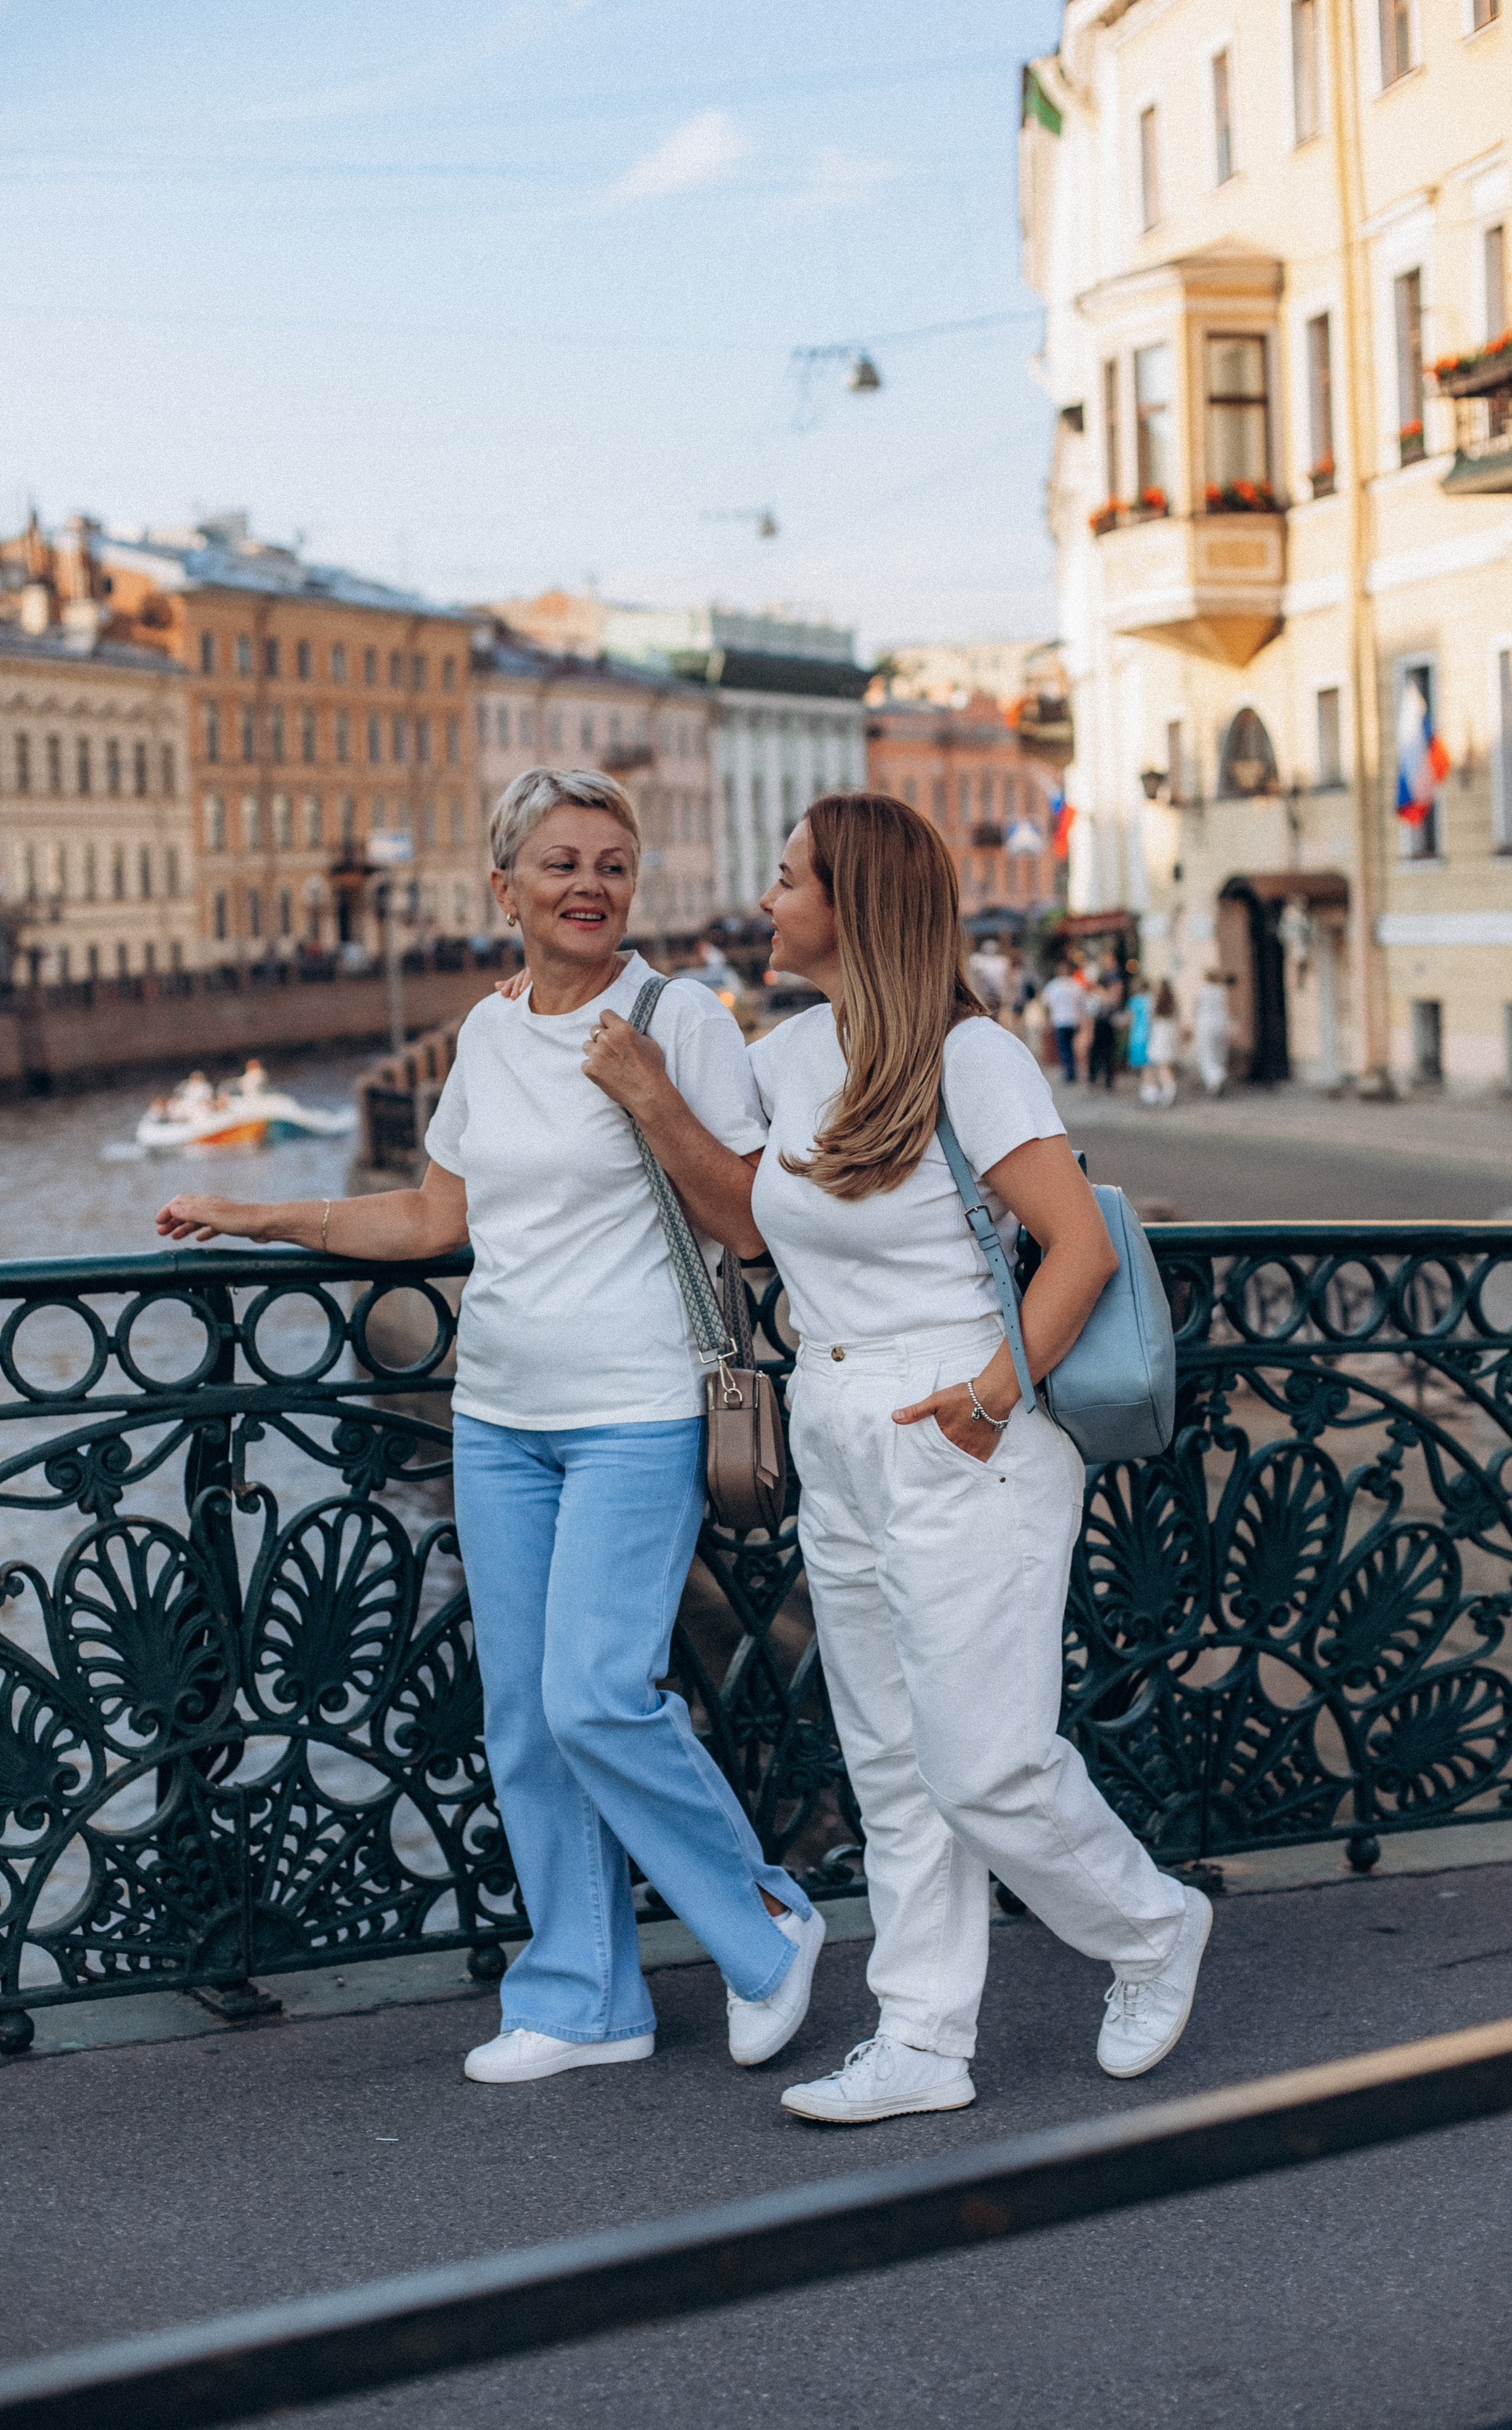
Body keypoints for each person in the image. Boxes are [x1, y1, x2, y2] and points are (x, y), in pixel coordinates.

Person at [152, 767, 824, 2089]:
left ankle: (760, 1917)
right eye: (562, 862)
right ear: (501, 887)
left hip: (634, 1411)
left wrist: (648, 1096)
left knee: (593, 1695)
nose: (589, 886)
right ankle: (581, 1999)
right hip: (499, 1415)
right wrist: (264, 1218)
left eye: (611, 865)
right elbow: (429, 1222)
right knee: (524, 1716)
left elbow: (746, 1220)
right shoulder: (484, 1028)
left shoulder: (671, 1016)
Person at [749, 793, 1210, 2126]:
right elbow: (737, 1211)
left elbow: (1081, 1246)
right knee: (888, 1760)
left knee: (985, 1763)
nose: (766, 902)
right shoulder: (781, 1059)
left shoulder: (974, 1059)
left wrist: (986, 1398)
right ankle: (921, 2040)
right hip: (831, 1419)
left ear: (853, 905)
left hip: (964, 1426)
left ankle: (1147, 1928)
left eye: (787, 882)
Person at [1040, 961, 1082, 1085]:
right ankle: (1072, 1071)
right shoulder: (1074, 985)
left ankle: (1068, 1073)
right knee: (1070, 1046)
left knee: (1064, 1047)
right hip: (1072, 1020)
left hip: (1060, 1020)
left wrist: (1047, 1020)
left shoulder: (1053, 986)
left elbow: (1046, 1004)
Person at [1192, 969, 1232, 1096]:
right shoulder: (1222, 991)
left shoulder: (1202, 990)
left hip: (1206, 1026)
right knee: (1219, 1054)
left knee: (1207, 1055)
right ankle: (1218, 1075)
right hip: (1220, 1025)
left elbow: (1196, 1007)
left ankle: (1214, 1080)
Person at [1146, 978, 1180, 1107]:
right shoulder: (1173, 1001)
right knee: (1167, 1065)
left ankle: (1169, 1090)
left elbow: (1151, 1019)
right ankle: (1169, 1089)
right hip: (1170, 1032)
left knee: (1162, 1065)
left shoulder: (1155, 1001)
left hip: (1160, 1033)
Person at [1087, 959, 1120, 1090]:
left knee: (1104, 1054)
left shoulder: (1102, 995)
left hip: (1104, 1026)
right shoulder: (1100, 995)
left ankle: (1104, 1079)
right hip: (1102, 1026)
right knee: (1101, 1053)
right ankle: (1098, 1078)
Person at [1125, 976, 1154, 1099]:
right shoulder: (1153, 999)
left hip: (1138, 1035)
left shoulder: (1135, 1001)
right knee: (1152, 1064)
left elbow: (1129, 1019)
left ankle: (1149, 1090)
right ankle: (1152, 1087)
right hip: (1152, 1034)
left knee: (1145, 1065)